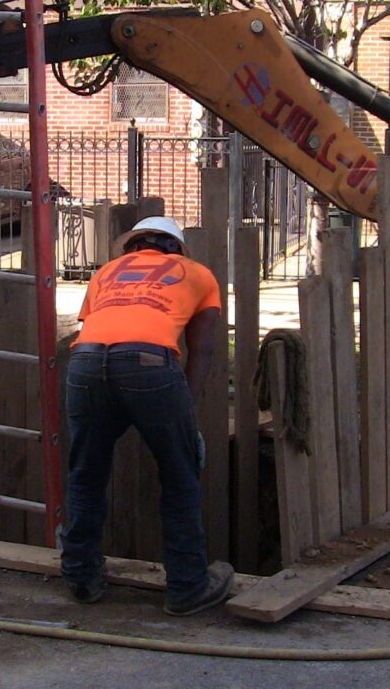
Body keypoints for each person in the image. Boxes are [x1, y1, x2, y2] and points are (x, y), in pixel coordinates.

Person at [59, 215, 234, 616]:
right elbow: (203, 350)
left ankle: (81, 577)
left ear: (133, 247)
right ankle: (188, 586)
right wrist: (182, 414)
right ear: (176, 248)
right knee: (180, 475)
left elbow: (99, 333)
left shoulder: (105, 272)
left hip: (85, 364)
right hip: (149, 364)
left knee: (85, 474)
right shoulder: (198, 273)